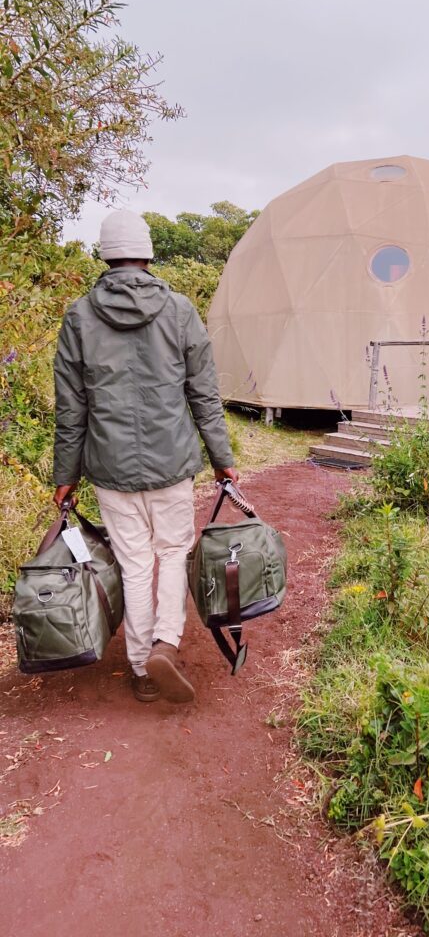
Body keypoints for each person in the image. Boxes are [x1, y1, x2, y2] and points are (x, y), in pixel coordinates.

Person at [52, 209, 238, 704]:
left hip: (110, 467)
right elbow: (204, 395)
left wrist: (65, 475)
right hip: (172, 462)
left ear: (105, 255)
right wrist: (222, 457)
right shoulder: (179, 311)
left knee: (134, 562)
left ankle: (139, 667)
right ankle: (166, 645)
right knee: (172, 553)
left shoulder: (78, 316)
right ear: (148, 252)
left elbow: (71, 408)